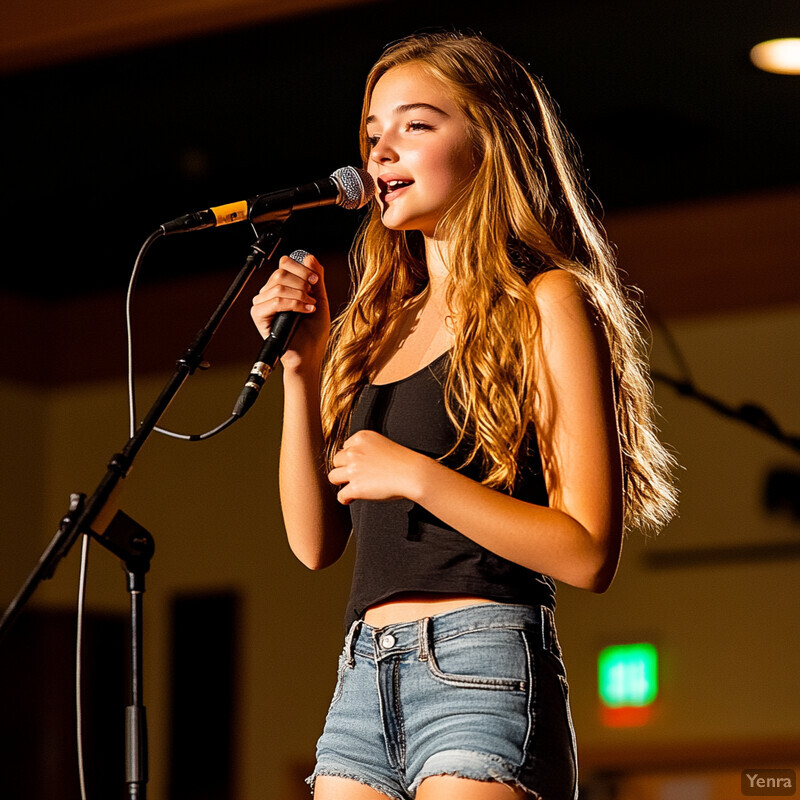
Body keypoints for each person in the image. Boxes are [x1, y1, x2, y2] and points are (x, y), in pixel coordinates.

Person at [251, 31, 677, 800]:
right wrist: (300, 370)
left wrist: (417, 476)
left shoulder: (546, 300)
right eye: (373, 134)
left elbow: (587, 553)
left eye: (415, 126)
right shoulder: (376, 324)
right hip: (360, 675)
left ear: (488, 142)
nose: (382, 153)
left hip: (480, 664)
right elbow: (315, 545)